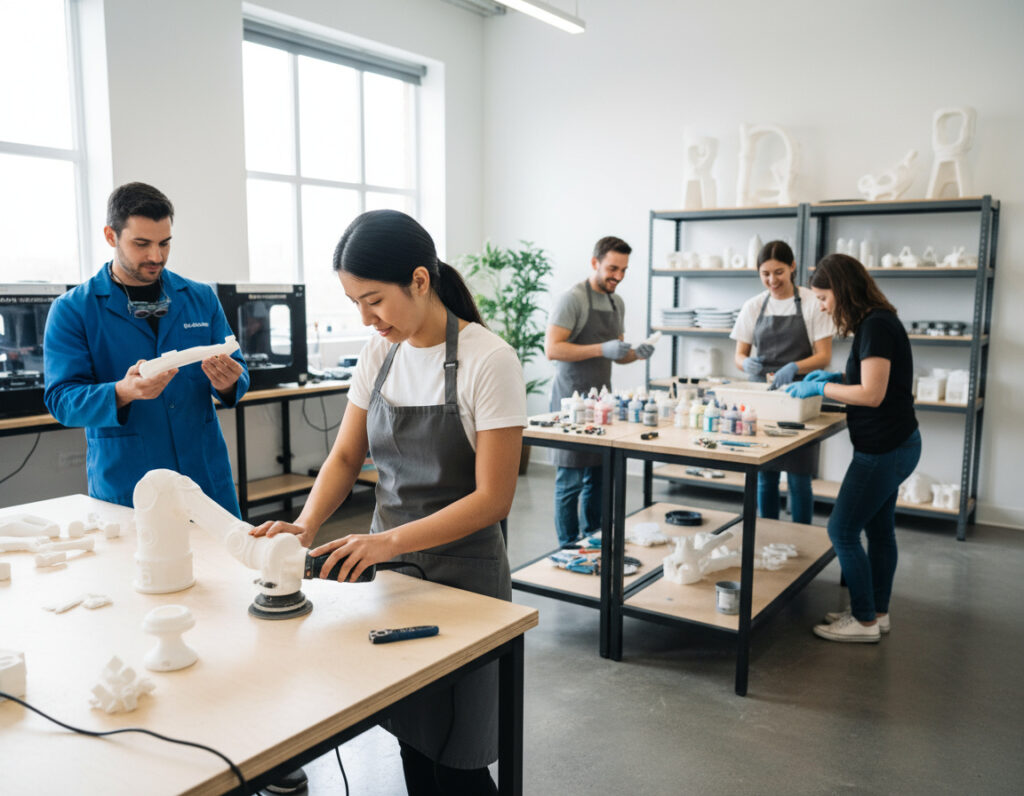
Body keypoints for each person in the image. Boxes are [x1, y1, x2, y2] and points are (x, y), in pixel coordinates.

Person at [250, 209, 526, 795]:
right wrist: (302, 528)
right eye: (353, 302)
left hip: (464, 581)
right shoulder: (382, 355)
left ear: (420, 281)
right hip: (392, 577)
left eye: (373, 300)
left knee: (458, 756)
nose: (365, 318)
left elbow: (493, 498)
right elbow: (346, 457)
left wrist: (386, 541)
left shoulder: (489, 360)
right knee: (413, 739)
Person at [43, 182, 248, 515]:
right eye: (142, 244)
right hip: (130, 481)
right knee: (139, 566)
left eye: (165, 243)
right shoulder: (73, 310)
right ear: (111, 236)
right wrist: (123, 392)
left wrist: (227, 382)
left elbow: (238, 373)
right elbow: (62, 401)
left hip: (204, 476)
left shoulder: (200, 298)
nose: (156, 256)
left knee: (228, 565)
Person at [786, 254, 921, 643]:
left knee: (841, 529)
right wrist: (835, 376)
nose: (822, 305)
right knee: (879, 531)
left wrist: (821, 388)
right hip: (896, 443)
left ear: (842, 290)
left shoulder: (876, 325)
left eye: (824, 297)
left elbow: (872, 394)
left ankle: (863, 623)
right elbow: (870, 377)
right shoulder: (874, 321)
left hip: (884, 449)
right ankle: (877, 613)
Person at [545, 236, 654, 546]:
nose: (618, 277)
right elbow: (552, 349)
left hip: (601, 404)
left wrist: (636, 352)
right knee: (570, 481)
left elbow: (615, 354)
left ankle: (593, 541)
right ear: (595, 263)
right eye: (612, 268)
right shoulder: (572, 299)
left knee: (598, 477)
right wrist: (601, 348)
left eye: (623, 270)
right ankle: (567, 548)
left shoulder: (615, 301)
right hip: (569, 402)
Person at [730, 240, 835, 525]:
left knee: (800, 477)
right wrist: (745, 363)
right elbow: (739, 356)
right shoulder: (753, 306)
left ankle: (801, 540)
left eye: (778, 272)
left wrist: (794, 367)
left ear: (792, 267)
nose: (772, 280)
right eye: (765, 274)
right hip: (762, 400)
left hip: (800, 399)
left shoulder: (813, 303)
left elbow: (824, 356)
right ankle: (768, 536)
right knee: (765, 476)